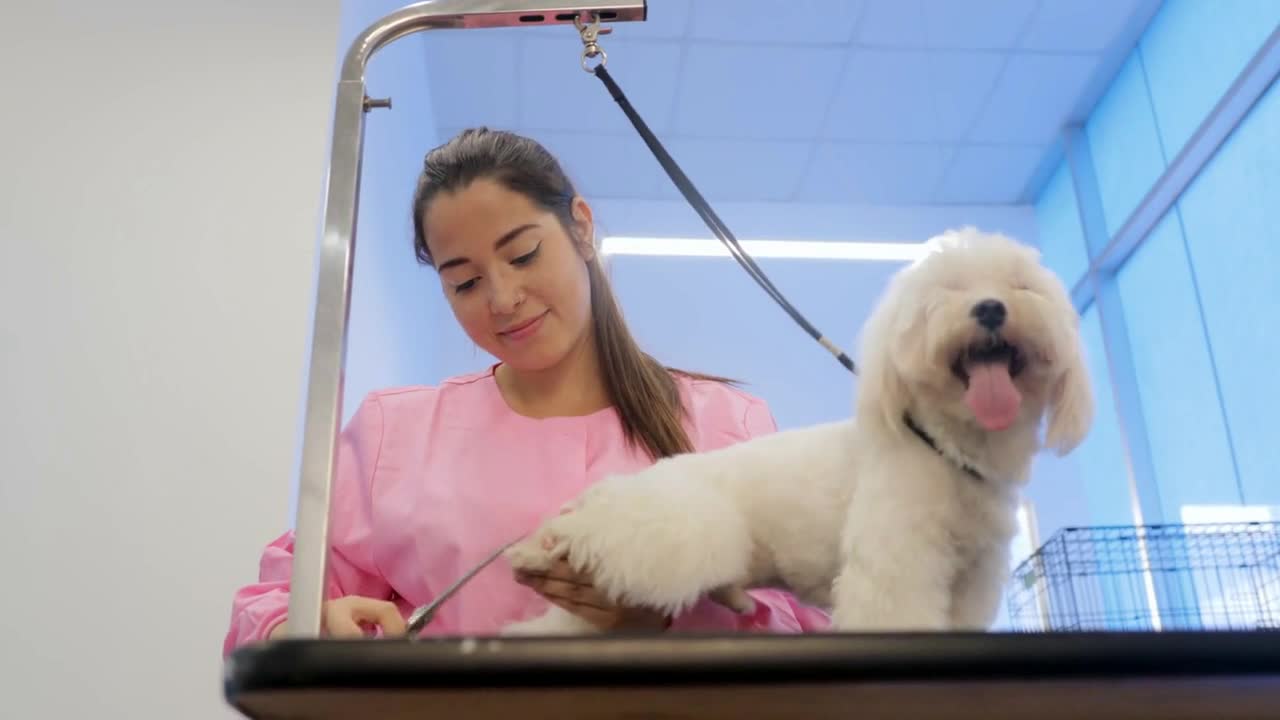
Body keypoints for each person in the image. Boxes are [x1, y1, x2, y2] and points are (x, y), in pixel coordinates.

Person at [223, 128, 829, 654]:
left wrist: (670, 618)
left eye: (524, 254)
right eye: (464, 283)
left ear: (582, 228)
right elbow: (271, 604)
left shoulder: (724, 426)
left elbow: (810, 630)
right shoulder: (395, 435)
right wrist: (311, 628)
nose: (503, 299)